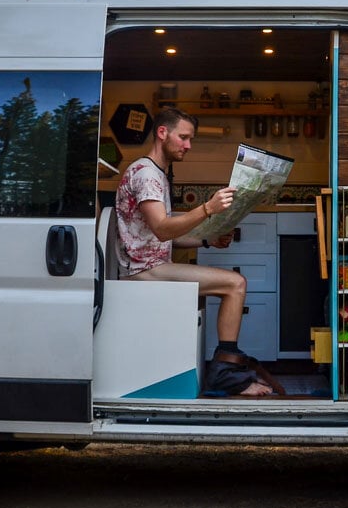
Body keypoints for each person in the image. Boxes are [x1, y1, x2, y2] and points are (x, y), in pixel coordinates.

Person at [115, 107, 281, 397]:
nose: (188, 146)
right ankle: (225, 374)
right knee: (235, 284)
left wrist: (207, 241)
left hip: (150, 265)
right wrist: (208, 209)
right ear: (162, 133)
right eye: (184, 137)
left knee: (232, 284)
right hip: (142, 272)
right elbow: (164, 229)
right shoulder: (146, 175)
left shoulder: (156, 174)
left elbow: (161, 237)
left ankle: (225, 369)